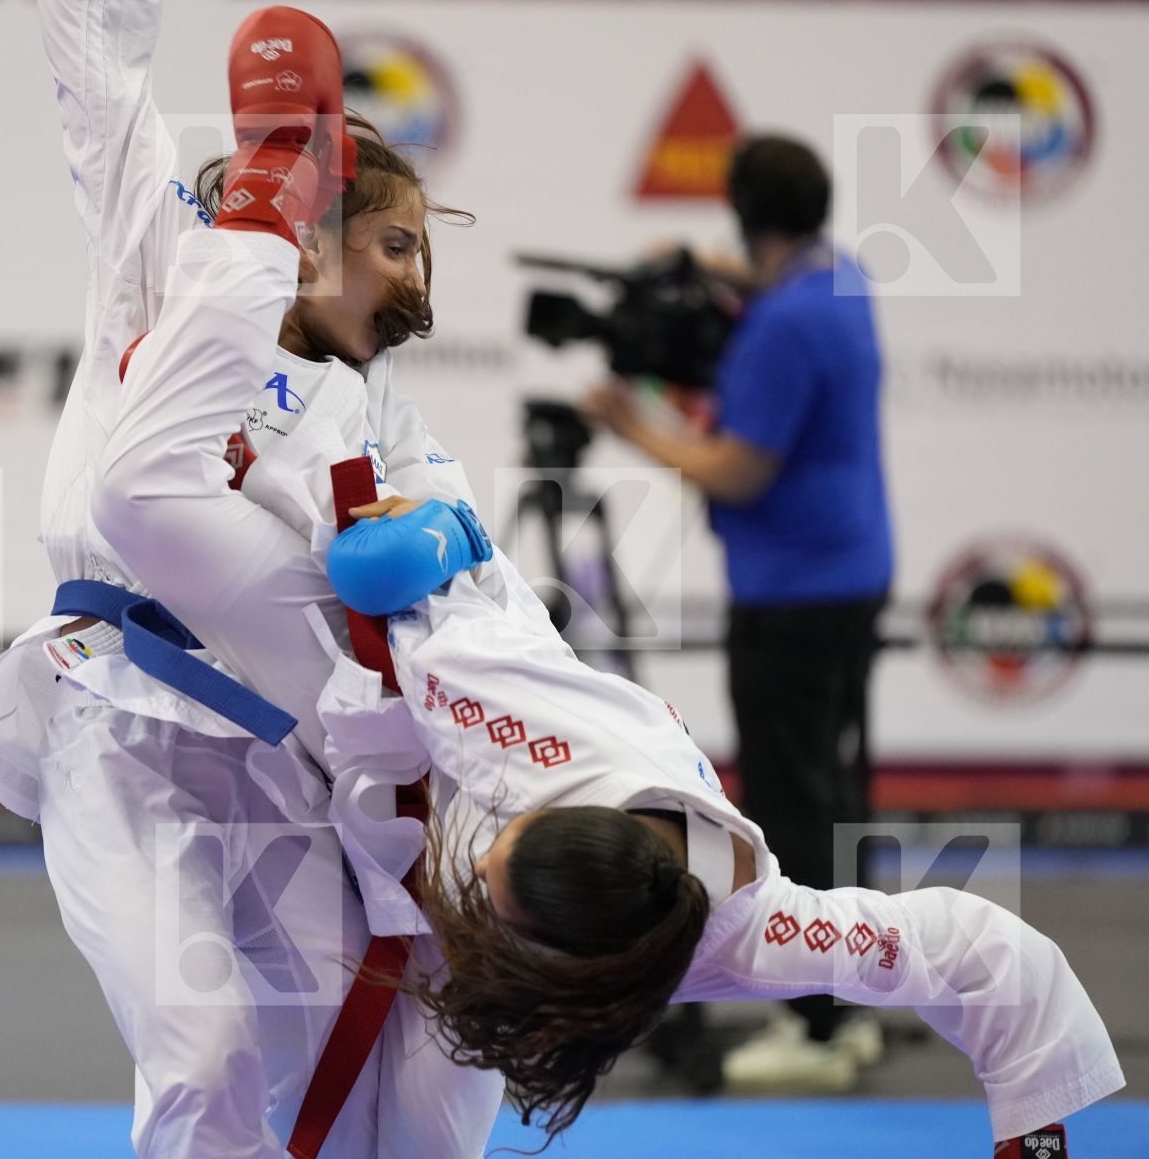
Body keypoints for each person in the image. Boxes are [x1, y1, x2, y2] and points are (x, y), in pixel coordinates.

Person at [88, 71, 1125, 1155]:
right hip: (442, 663)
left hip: (477, 927)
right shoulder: (520, 733)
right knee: (195, 511)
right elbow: (405, 587)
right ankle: (242, 226)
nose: (479, 878)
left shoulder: (703, 935)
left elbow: (969, 954)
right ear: (536, 819)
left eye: (487, 892)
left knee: (426, 1135)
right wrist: (448, 534)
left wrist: (1028, 1123)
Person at [0, 0, 502, 1155]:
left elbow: (461, 570)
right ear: (310, 226)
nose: (419, 284)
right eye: (397, 245)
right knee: (204, 1057)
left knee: (347, 1058)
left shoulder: (379, 412)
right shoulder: (170, 262)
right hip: (115, 724)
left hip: (279, 760)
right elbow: (97, 72)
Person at [584, 133, 894, 1092]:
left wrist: (630, 420)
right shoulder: (837, 283)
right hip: (851, 573)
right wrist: (699, 269)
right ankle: (858, 994)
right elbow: (767, 278)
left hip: (793, 596)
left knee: (792, 804)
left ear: (741, 208)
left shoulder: (781, 331)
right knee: (832, 792)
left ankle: (819, 1023)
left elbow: (737, 469)